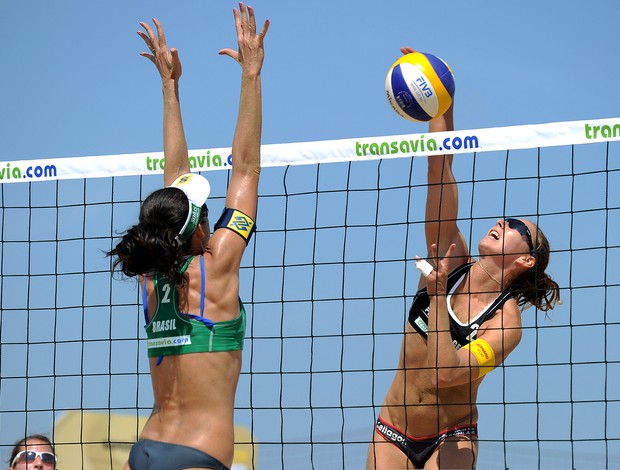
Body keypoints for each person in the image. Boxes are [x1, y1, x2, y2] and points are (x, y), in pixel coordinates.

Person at [366, 48, 561, 470]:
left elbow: (447, 376)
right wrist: (442, 101)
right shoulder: (451, 260)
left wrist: (437, 298)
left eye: (515, 227)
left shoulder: (505, 322)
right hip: (391, 429)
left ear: (527, 260)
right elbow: (440, 169)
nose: (500, 222)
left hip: (450, 437)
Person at [107, 4, 269, 470]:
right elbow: (246, 168)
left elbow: (176, 179)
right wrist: (251, 75)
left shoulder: (150, 275)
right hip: (198, 454)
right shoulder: (216, 265)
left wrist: (169, 87)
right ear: (199, 227)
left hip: (146, 448)